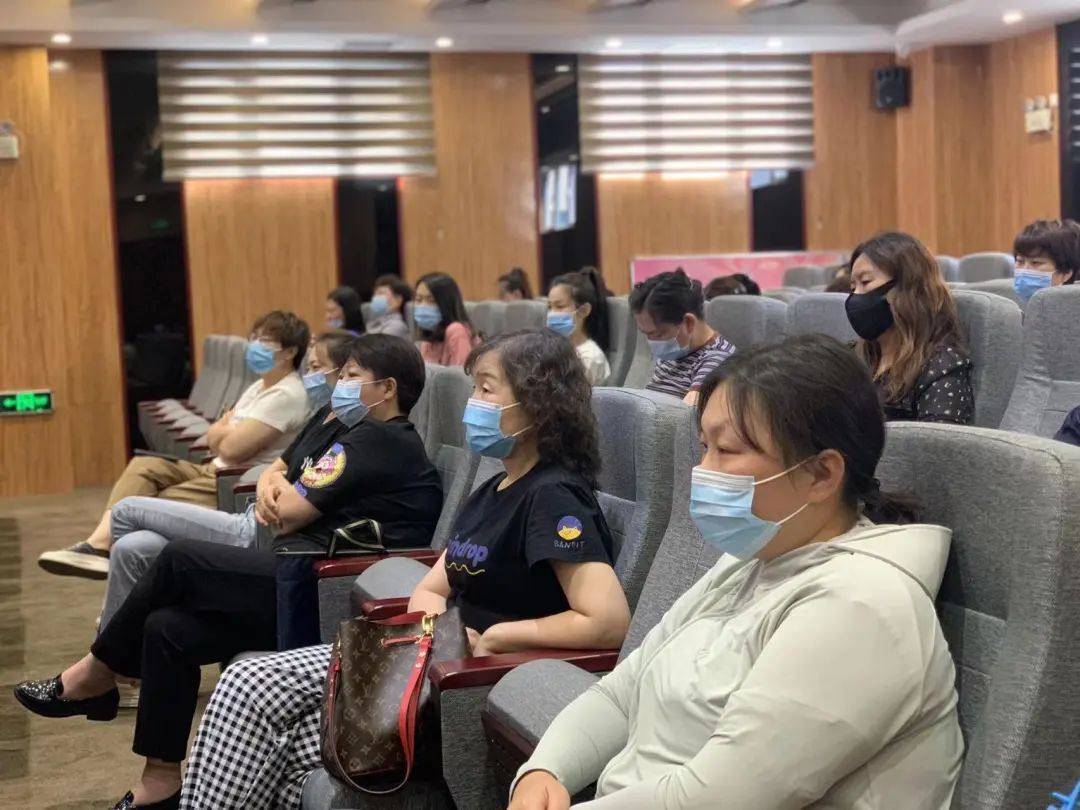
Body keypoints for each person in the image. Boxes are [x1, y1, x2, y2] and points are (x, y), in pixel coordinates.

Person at [175, 328, 631, 810]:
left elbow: (606, 621)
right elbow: (432, 586)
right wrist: (439, 632)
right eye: (473, 388)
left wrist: (501, 637)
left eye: (486, 389)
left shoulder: (553, 497)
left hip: (470, 684)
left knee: (248, 684)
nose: (472, 404)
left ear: (538, 405)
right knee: (282, 758)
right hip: (430, 662)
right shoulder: (494, 490)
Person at [508, 334, 963, 810]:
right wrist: (545, 770)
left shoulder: (864, 605)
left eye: (726, 450)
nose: (703, 471)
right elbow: (623, 694)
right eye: (704, 447)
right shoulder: (751, 561)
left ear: (822, 474)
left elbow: (714, 799)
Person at [13, 333, 445, 810]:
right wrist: (275, 485)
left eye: (351, 375)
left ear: (387, 388)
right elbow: (277, 476)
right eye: (340, 373)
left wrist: (280, 491)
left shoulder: (380, 438)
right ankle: (160, 780)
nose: (339, 383)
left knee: (179, 560)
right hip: (298, 572)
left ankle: (97, 671)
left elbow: (290, 512)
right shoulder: (346, 427)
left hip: (327, 589)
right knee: (166, 629)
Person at [37, 311, 312, 580]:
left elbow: (231, 448)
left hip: (229, 481)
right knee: (143, 467)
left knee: (145, 506)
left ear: (290, 352)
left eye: (265, 341)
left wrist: (223, 430)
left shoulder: (286, 394)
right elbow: (213, 436)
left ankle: (102, 552)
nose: (254, 346)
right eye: (254, 338)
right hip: (211, 467)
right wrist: (223, 432)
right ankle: (98, 544)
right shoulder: (258, 387)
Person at [847, 231, 974, 424]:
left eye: (866, 282)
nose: (856, 296)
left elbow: (940, 439)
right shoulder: (851, 357)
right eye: (852, 287)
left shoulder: (941, 365)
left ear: (907, 288)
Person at [629, 269, 736, 406]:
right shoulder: (676, 351)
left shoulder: (717, 358)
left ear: (689, 323)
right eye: (647, 334)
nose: (652, 342)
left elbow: (686, 415)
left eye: (658, 334)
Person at [547, 267, 611, 385]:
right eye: (549, 307)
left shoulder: (590, 358)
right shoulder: (555, 349)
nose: (552, 313)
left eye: (560, 306)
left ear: (584, 310)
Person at [415, 271, 480, 367]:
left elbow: (461, 374)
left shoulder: (456, 330)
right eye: (418, 299)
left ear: (446, 303)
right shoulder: (429, 336)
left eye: (431, 300)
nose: (423, 306)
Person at [1012, 218, 1080, 302]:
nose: (1024, 271)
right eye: (1020, 261)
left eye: (1035, 263)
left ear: (1065, 274)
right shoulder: (1008, 305)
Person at [366, 273, 412, 339]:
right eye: (374, 294)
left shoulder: (396, 326)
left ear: (398, 300)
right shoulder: (374, 322)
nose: (375, 297)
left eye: (380, 293)